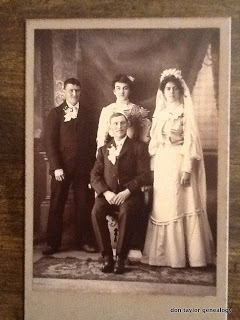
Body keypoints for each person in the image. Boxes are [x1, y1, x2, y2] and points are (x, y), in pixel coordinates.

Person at [141, 69, 215, 268]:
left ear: (180, 91)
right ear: (163, 92)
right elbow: (154, 143)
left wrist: (187, 169)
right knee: (163, 206)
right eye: (168, 88)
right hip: (163, 163)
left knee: (179, 204)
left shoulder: (185, 112)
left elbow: (190, 142)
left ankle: (186, 256)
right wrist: (163, 139)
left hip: (178, 161)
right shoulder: (160, 114)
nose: (171, 92)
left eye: (174, 88)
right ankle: (165, 256)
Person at [91, 112, 151, 274]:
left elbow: (145, 175)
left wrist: (127, 191)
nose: (119, 127)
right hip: (109, 195)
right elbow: (94, 175)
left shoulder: (138, 147)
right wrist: (105, 192)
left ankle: (121, 257)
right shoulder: (103, 150)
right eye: (115, 124)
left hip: (129, 195)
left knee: (126, 210)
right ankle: (107, 256)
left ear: (127, 126)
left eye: (122, 123)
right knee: (96, 211)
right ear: (110, 129)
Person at [42, 78, 96, 255]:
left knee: (84, 204)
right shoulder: (56, 114)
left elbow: (92, 143)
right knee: (57, 204)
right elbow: (49, 142)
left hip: (83, 169)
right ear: (64, 92)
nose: (74, 94)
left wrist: (92, 168)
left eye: (77, 91)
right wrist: (56, 166)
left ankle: (85, 241)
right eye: (71, 91)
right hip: (61, 169)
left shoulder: (88, 114)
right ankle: (53, 243)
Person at [96, 74, 150, 151]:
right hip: (113, 148)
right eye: (118, 88)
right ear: (114, 91)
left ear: (130, 90)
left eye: (125, 88)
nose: (122, 92)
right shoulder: (108, 110)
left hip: (133, 149)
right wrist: (101, 156)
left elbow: (144, 137)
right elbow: (101, 136)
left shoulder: (136, 109)